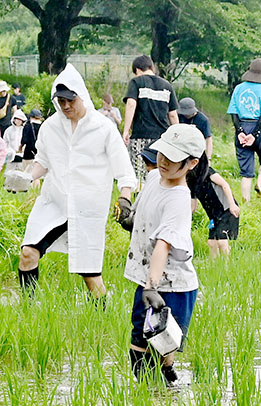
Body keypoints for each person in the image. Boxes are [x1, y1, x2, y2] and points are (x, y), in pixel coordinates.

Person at [18, 64, 136, 301]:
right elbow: (43, 162)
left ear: (81, 95)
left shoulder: (104, 128)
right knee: (28, 253)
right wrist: (24, 178)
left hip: (88, 208)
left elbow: (124, 171)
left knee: (89, 274)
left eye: (70, 100)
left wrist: (125, 198)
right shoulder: (50, 127)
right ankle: (29, 309)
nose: (66, 106)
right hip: (55, 203)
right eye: (60, 101)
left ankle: (102, 317)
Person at [122, 124, 201, 386]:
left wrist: (151, 286)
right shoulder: (154, 177)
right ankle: (157, 394)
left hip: (172, 286)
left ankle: (164, 394)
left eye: (173, 158)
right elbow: (145, 211)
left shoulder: (179, 199)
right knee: (140, 346)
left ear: (191, 163)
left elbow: (163, 245)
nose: (164, 161)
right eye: (162, 153)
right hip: (149, 280)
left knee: (162, 347)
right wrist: (130, 217)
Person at [122, 55, 179, 183]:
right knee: (159, 172)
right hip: (162, 138)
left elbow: (131, 104)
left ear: (137, 70)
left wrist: (126, 130)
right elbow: (173, 115)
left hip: (140, 135)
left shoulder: (136, 82)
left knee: (139, 173)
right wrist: (177, 135)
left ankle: (139, 199)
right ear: (151, 67)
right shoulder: (167, 85)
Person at [227, 58, 261, 202]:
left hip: (242, 127)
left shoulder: (239, 88)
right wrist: (255, 134)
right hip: (259, 130)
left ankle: (246, 201)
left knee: (246, 172)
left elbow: (234, 113)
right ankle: (260, 183)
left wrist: (240, 132)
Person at [186, 143, 240, 259]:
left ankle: (227, 266)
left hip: (226, 209)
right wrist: (186, 219)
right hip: (213, 215)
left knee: (222, 241)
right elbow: (193, 205)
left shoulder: (208, 172)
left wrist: (232, 204)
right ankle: (215, 266)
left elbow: (224, 185)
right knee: (211, 243)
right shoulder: (191, 181)